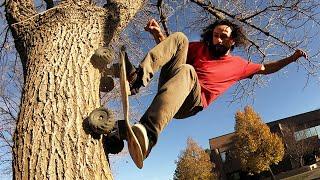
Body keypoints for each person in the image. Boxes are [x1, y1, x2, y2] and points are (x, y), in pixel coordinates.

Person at [98, 19, 307, 164]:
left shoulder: (240, 64)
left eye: (223, 36)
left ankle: (148, 134)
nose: (218, 40)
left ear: (232, 40)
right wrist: (157, 34)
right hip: (174, 86)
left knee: (189, 71)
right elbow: (170, 52)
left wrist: (292, 58)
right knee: (180, 38)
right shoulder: (200, 48)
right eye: (215, 35)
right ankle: (137, 77)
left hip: (191, 102)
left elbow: (266, 68)